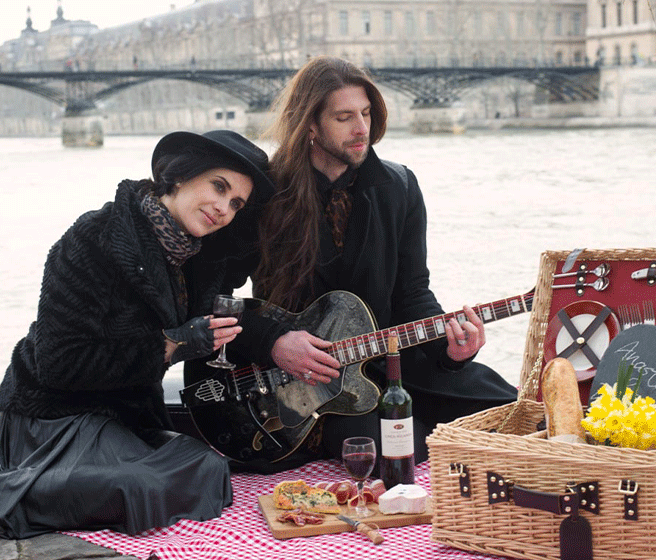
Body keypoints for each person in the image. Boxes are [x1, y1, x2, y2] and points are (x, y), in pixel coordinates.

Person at [0, 130, 275, 539]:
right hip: (48, 417)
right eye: (218, 186)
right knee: (144, 485)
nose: (223, 209)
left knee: (208, 469)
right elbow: (58, 362)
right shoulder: (95, 239)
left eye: (236, 204)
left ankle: (4, 486)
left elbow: (230, 313)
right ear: (180, 175)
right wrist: (169, 346)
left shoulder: (198, 257)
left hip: (118, 422)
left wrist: (278, 340)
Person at [203, 56, 517, 472]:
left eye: (367, 113)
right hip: (302, 381)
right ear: (310, 125)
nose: (361, 129)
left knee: (513, 408)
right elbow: (211, 294)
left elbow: (412, 293)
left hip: (393, 362)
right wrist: (273, 341)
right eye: (344, 117)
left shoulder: (399, 186)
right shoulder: (263, 193)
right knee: (386, 450)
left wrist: (451, 351)